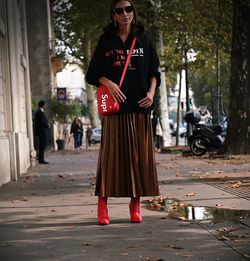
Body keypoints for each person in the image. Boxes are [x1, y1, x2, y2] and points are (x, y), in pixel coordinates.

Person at [86, 0, 161, 225]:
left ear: (134, 13)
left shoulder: (144, 40)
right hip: (115, 110)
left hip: (140, 107)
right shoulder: (106, 41)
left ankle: (135, 204)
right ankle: (102, 204)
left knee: (138, 159)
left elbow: (154, 71)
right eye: (120, 11)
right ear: (113, 15)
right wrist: (108, 83)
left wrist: (151, 93)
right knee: (110, 159)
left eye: (128, 9)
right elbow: (92, 74)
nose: (125, 14)